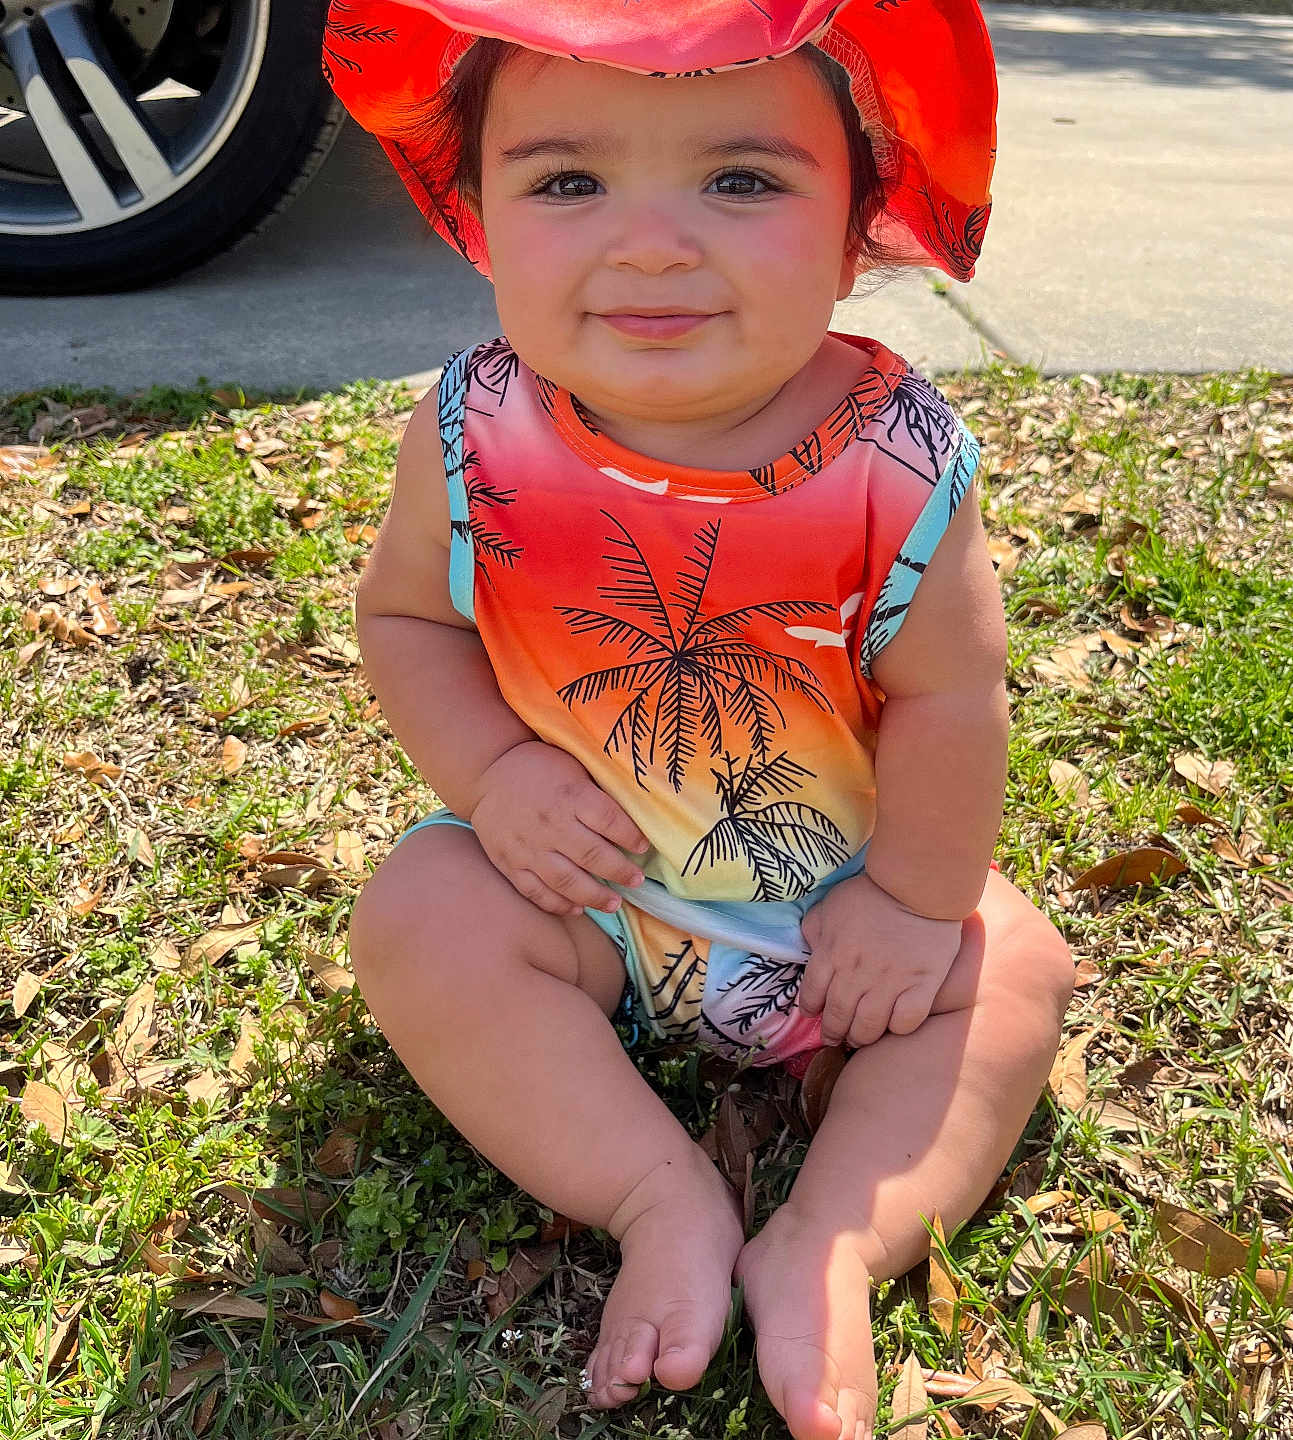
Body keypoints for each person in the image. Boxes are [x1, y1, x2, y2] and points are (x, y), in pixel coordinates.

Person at [325, 4, 1074, 1438]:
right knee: (422, 911)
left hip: (841, 920)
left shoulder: (897, 461)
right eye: (565, 182)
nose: (654, 243)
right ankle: (652, 1188)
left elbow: (949, 698)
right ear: (470, 208)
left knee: (1014, 967)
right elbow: (410, 620)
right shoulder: (475, 427)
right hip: (587, 897)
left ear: (860, 212)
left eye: (740, 180)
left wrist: (916, 905)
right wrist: (491, 780)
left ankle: (839, 1232)